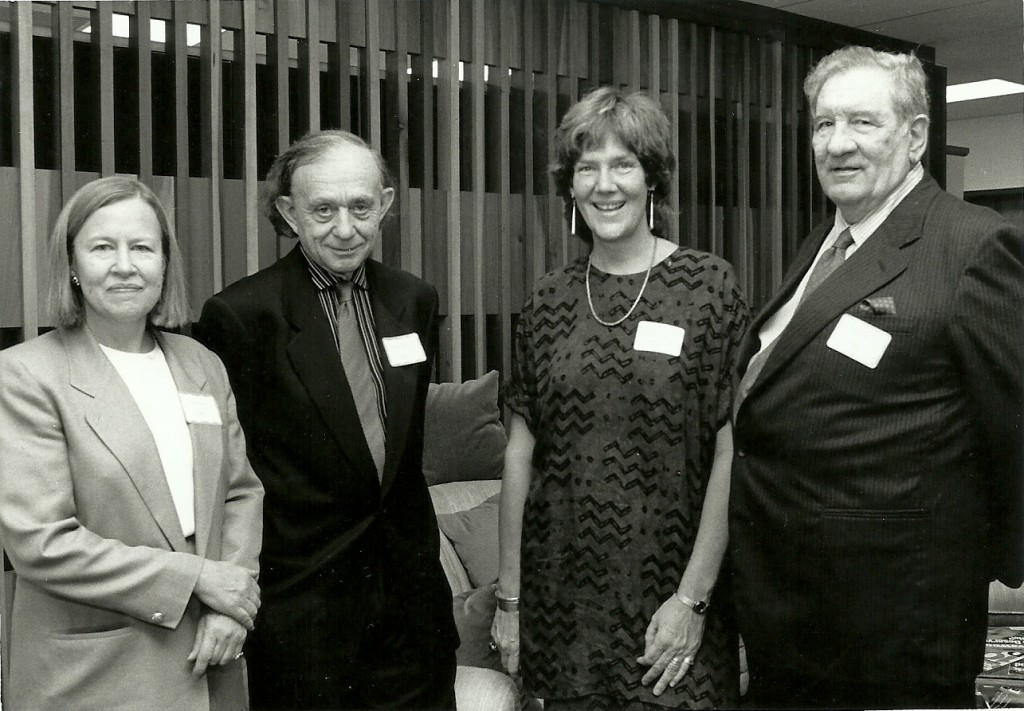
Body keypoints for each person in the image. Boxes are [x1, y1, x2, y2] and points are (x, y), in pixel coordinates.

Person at [729, 45, 1024, 709]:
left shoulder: (971, 245)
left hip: (892, 628)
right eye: (823, 124)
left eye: (862, 123)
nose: (837, 144)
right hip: (795, 610)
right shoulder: (824, 244)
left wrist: (979, 568)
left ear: (916, 135)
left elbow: (1014, 426)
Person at [491, 86, 750, 710]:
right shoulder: (548, 301)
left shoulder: (707, 286)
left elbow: (732, 451)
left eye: (623, 165)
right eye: (587, 168)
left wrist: (692, 599)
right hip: (562, 607)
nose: (605, 186)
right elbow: (520, 459)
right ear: (570, 187)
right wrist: (509, 601)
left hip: (673, 600)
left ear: (653, 179)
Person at [193, 129, 458, 710]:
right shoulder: (240, 317)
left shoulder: (414, 300)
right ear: (289, 213)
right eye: (323, 209)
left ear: (385, 205)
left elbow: (400, 459)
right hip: (304, 613)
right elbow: (226, 480)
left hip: (412, 609)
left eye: (361, 207)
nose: (345, 228)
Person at [0, 176, 264, 710]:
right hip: (95, 669)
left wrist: (230, 604)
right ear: (71, 265)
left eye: (142, 247)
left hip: (211, 654)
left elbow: (239, 493)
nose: (125, 265)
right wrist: (199, 581)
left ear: (164, 264)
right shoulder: (25, 375)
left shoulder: (201, 364)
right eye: (102, 247)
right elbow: (41, 543)